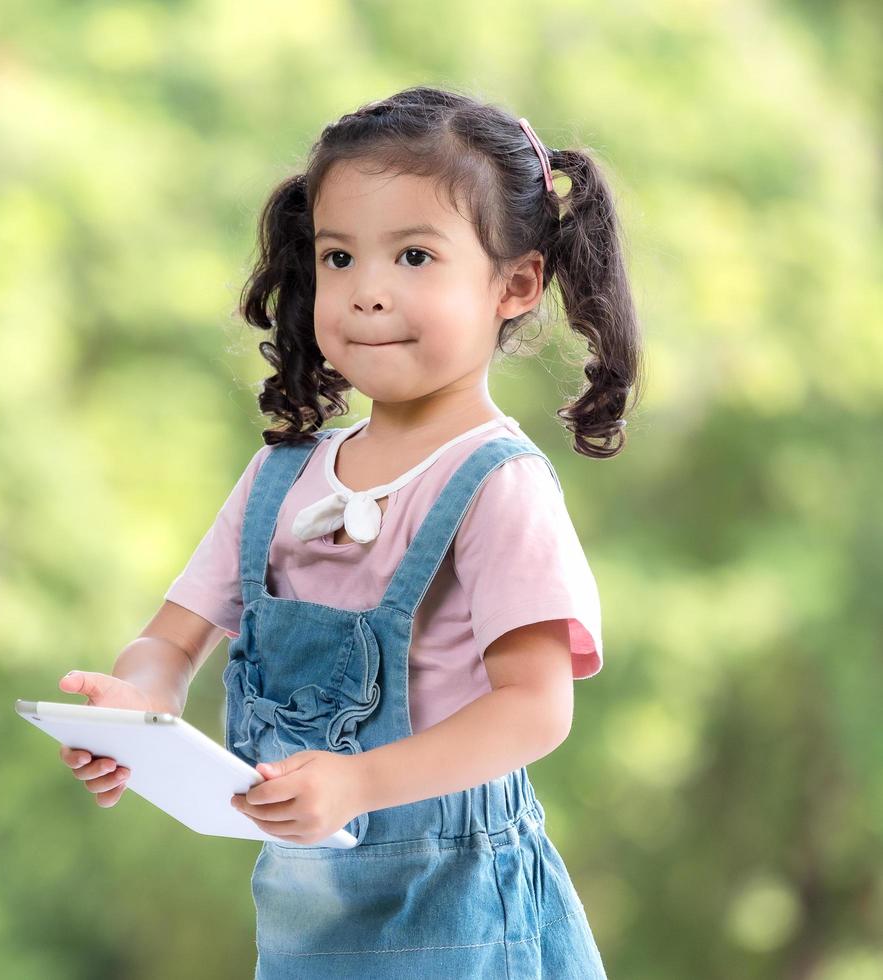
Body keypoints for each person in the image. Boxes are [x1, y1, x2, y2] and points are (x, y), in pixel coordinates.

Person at [57, 84, 642, 977]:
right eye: (337, 258)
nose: (366, 293)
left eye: (413, 255)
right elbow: (167, 645)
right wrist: (141, 709)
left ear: (515, 285)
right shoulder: (278, 480)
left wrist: (358, 783)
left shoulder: (496, 484)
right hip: (309, 917)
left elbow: (536, 708)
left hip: (462, 913)